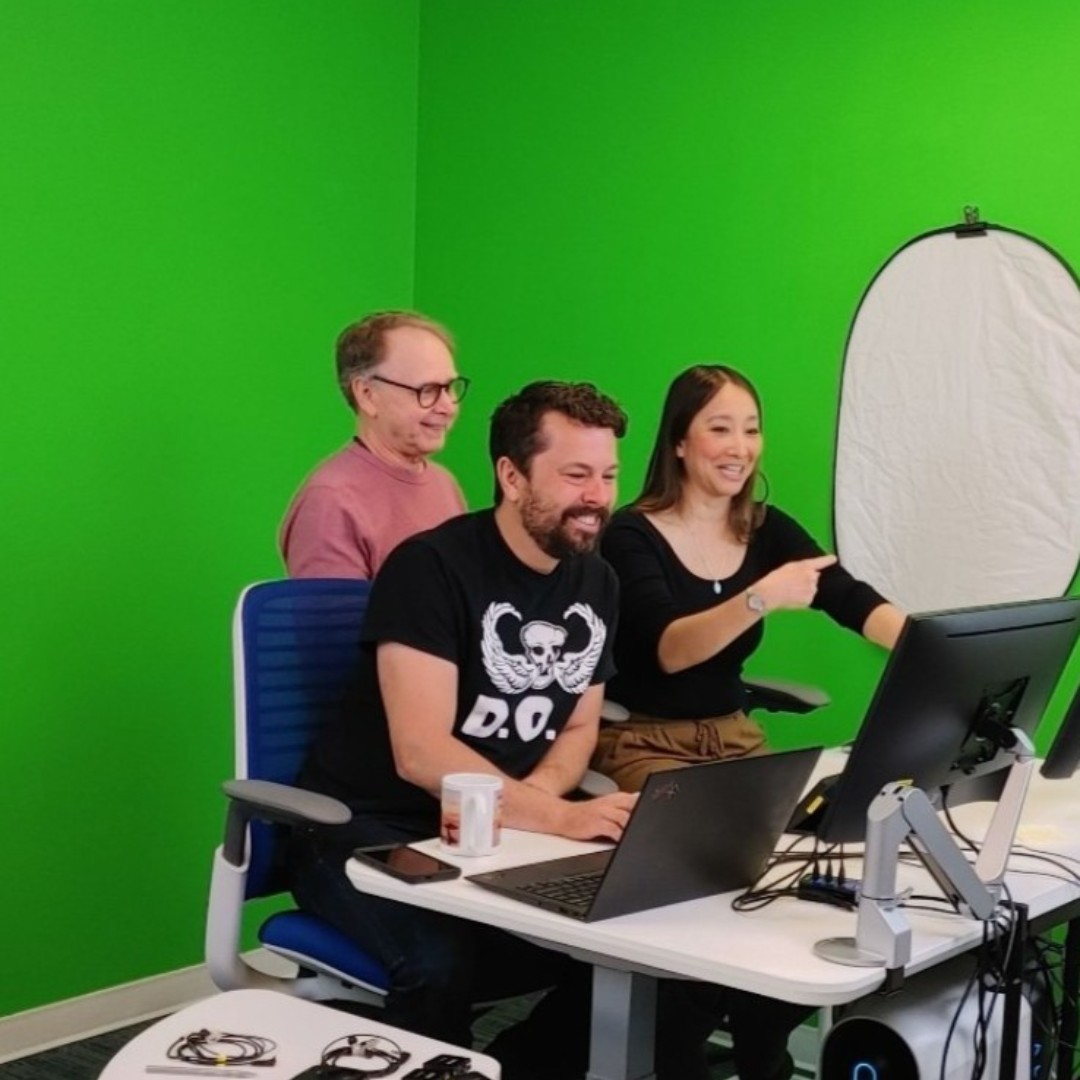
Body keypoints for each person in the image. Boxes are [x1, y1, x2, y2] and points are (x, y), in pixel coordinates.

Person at [288, 381, 637, 1080]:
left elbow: (576, 726)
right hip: (366, 829)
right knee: (439, 964)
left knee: (624, 946)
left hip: (490, 833)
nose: (597, 496)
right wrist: (557, 822)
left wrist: (530, 807)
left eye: (607, 475)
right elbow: (421, 755)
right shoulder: (430, 568)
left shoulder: (596, 582)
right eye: (575, 475)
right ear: (511, 475)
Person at [594, 363, 907, 1080]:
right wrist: (760, 598)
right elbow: (671, 650)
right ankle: (679, 1047)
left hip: (734, 738)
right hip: (646, 740)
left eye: (752, 429)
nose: (740, 446)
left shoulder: (762, 527)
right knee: (714, 886)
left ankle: (760, 1042)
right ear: (679, 441)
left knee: (809, 885)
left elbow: (853, 598)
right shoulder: (630, 535)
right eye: (720, 429)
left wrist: (934, 652)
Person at [280, 310, 468, 578]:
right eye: (427, 390)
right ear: (367, 395)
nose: (448, 406)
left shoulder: (444, 484)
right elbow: (339, 620)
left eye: (449, 387)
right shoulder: (331, 502)